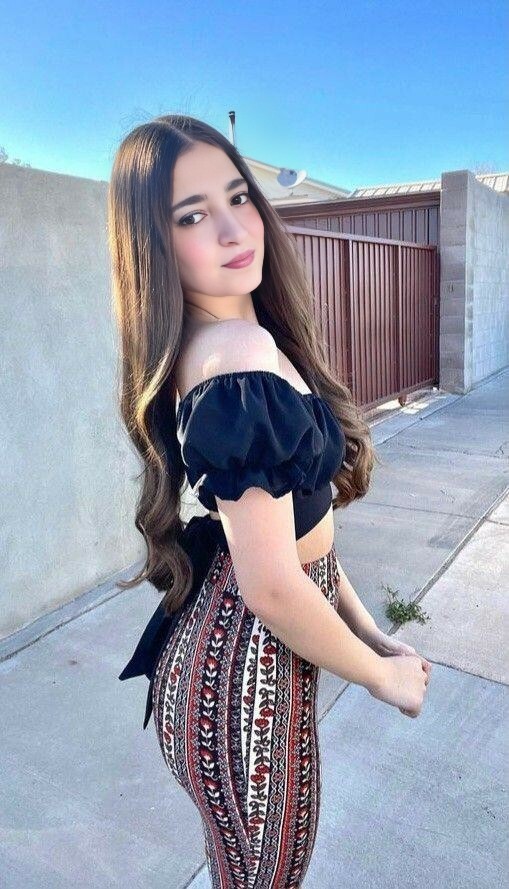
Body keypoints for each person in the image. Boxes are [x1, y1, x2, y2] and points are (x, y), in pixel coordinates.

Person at [109, 114, 431, 888]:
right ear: (155, 245)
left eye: (237, 197)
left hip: (228, 680)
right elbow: (272, 586)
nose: (232, 229)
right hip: (245, 696)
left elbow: (303, 542)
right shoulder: (236, 356)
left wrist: (370, 634)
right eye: (191, 216)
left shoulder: (226, 343)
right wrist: (378, 675)